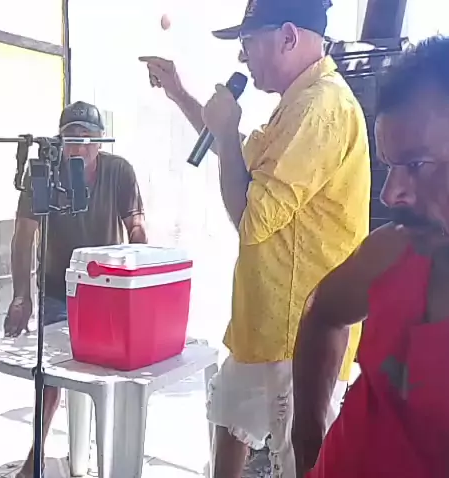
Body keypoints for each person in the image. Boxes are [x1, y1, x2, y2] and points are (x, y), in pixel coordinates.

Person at [292, 25, 449, 478]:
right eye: (390, 167)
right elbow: (323, 313)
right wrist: (308, 442)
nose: (392, 194)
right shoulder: (401, 248)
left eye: (418, 165)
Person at [140, 0, 370, 476]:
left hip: (298, 336)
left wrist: (225, 135)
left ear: (288, 36)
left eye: (248, 42)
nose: (242, 57)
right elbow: (240, 160)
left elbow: (250, 216)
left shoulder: (322, 108)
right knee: (229, 424)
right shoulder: (297, 104)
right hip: (262, 326)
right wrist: (182, 95)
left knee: (301, 461)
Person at [4, 101, 147, 474]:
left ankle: (111, 458)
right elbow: (23, 237)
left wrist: (139, 281)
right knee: (50, 375)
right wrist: (21, 296)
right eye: (71, 138)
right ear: (59, 140)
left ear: (100, 142)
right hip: (57, 289)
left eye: (86, 139)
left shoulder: (119, 172)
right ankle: (35, 455)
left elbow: (136, 227)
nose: (78, 147)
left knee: (114, 375)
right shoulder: (43, 173)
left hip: (108, 291)